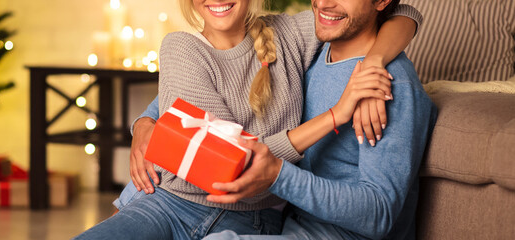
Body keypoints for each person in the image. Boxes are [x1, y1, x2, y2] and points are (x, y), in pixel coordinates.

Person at [74, 0, 421, 238]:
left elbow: (404, 12)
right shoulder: (181, 47)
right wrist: (144, 122)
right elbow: (203, 127)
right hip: (171, 200)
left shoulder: (297, 37)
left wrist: (375, 63)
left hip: (253, 213)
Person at [197, 0, 438, 238]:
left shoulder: (388, 87)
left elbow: (380, 214)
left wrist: (278, 175)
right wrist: (156, 116)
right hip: (288, 224)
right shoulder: (312, 54)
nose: (323, 3)